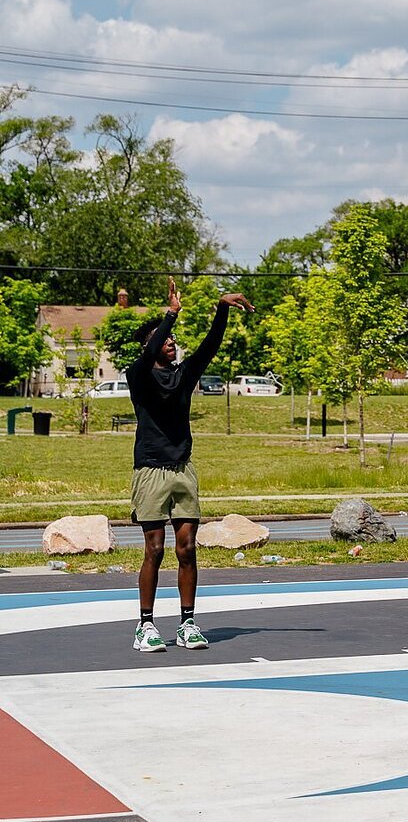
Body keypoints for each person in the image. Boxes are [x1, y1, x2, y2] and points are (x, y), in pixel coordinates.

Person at [126, 277, 253, 652]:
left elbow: (209, 347)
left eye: (171, 338)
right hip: (150, 469)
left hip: (183, 469)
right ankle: (145, 626)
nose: (170, 341)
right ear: (149, 345)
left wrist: (222, 309)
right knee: (154, 549)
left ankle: (187, 623)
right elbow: (149, 352)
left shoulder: (183, 376)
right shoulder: (138, 376)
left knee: (187, 549)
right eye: (162, 338)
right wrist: (171, 314)